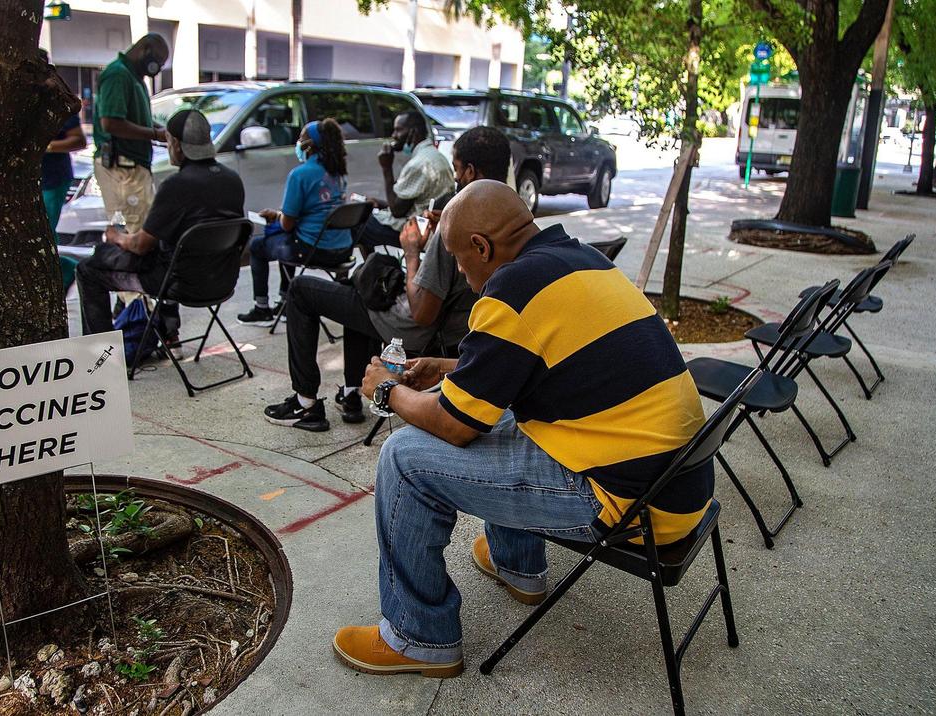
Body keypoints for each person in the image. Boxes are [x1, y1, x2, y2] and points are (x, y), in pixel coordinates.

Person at [332, 180, 712, 677]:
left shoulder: (511, 288)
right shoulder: (581, 259)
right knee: (507, 410)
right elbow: (535, 366)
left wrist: (387, 391)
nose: (465, 277)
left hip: (627, 505)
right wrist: (450, 368)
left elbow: (455, 425)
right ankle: (517, 566)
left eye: (459, 261)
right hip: (674, 487)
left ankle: (416, 636)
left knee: (404, 456)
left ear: (482, 247)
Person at [262, 126, 513, 432]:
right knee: (359, 292)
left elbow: (422, 314)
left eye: (457, 170)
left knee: (303, 289)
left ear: (471, 171)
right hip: (461, 327)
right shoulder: (513, 217)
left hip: (422, 330)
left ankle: (305, 404)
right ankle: (353, 393)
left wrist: (411, 252)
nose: (455, 178)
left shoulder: (457, 223)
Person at [76, 109, 244, 338]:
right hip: (222, 281)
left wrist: (116, 237)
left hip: (179, 283)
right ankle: (168, 332)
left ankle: (101, 358)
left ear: (175, 143)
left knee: (88, 269)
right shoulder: (232, 180)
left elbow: (140, 245)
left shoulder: (176, 185)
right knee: (170, 253)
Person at [237, 118, 352, 326]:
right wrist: (282, 216)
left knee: (258, 246)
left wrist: (278, 217)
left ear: (309, 145)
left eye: (301, 138)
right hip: (342, 248)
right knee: (286, 239)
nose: (298, 142)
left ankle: (261, 307)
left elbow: (287, 224)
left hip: (314, 249)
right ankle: (284, 301)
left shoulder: (300, 175)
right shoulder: (338, 173)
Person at [92, 33, 169, 233]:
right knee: (134, 229)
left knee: (140, 224)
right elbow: (111, 123)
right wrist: (154, 134)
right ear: (145, 51)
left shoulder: (134, 77)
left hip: (134, 164)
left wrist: (160, 129)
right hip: (123, 165)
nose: (157, 69)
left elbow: (134, 117)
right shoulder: (118, 74)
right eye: (157, 62)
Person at [354, 111, 452, 253]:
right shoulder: (436, 156)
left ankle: (369, 272)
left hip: (418, 230)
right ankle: (374, 269)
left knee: (357, 224)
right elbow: (411, 203)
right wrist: (380, 203)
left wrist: (386, 168)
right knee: (366, 216)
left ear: (413, 132)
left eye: (398, 130)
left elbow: (397, 211)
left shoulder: (419, 164)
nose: (394, 135)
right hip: (428, 223)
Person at [38, 49, 87, 292]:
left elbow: (79, 140)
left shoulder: (55, 96)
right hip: (31, 179)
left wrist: (44, 147)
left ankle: (65, 270)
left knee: (43, 234)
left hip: (52, 179)